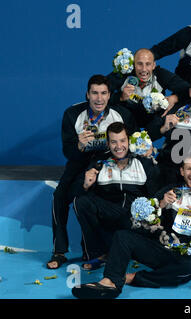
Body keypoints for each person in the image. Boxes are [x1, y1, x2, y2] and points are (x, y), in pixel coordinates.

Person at [72, 155, 191, 299]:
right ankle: (110, 283)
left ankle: (132, 278)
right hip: (164, 249)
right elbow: (140, 222)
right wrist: (161, 204)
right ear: (182, 171)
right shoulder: (170, 191)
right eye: (188, 169)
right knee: (123, 236)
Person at [47, 75, 136, 269]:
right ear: (87, 94)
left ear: (109, 95)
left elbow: (130, 143)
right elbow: (67, 150)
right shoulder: (72, 114)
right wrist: (79, 145)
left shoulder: (120, 114)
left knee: (83, 197)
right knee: (58, 197)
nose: (99, 98)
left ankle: (91, 253)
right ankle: (59, 252)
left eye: (103, 93)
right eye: (94, 93)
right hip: (78, 162)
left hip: (105, 163)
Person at [73, 122, 160, 270]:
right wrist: (86, 185)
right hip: (109, 219)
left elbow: (156, 195)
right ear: (108, 143)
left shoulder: (143, 162)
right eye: (114, 142)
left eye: (122, 141)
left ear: (129, 141)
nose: (119, 146)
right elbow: (78, 193)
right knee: (81, 202)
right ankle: (97, 254)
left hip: (134, 221)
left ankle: (118, 252)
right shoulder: (100, 163)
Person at [107, 48, 190, 128]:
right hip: (127, 119)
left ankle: (169, 138)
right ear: (133, 65)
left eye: (148, 64)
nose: (144, 69)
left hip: (154, 120)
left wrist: (175, 97)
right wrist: (120, 97)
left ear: (153, 65)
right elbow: (98, 94)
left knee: (175, 107)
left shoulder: (161, 75)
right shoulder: (123, 75)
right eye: (139, 64)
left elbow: (189, 89)